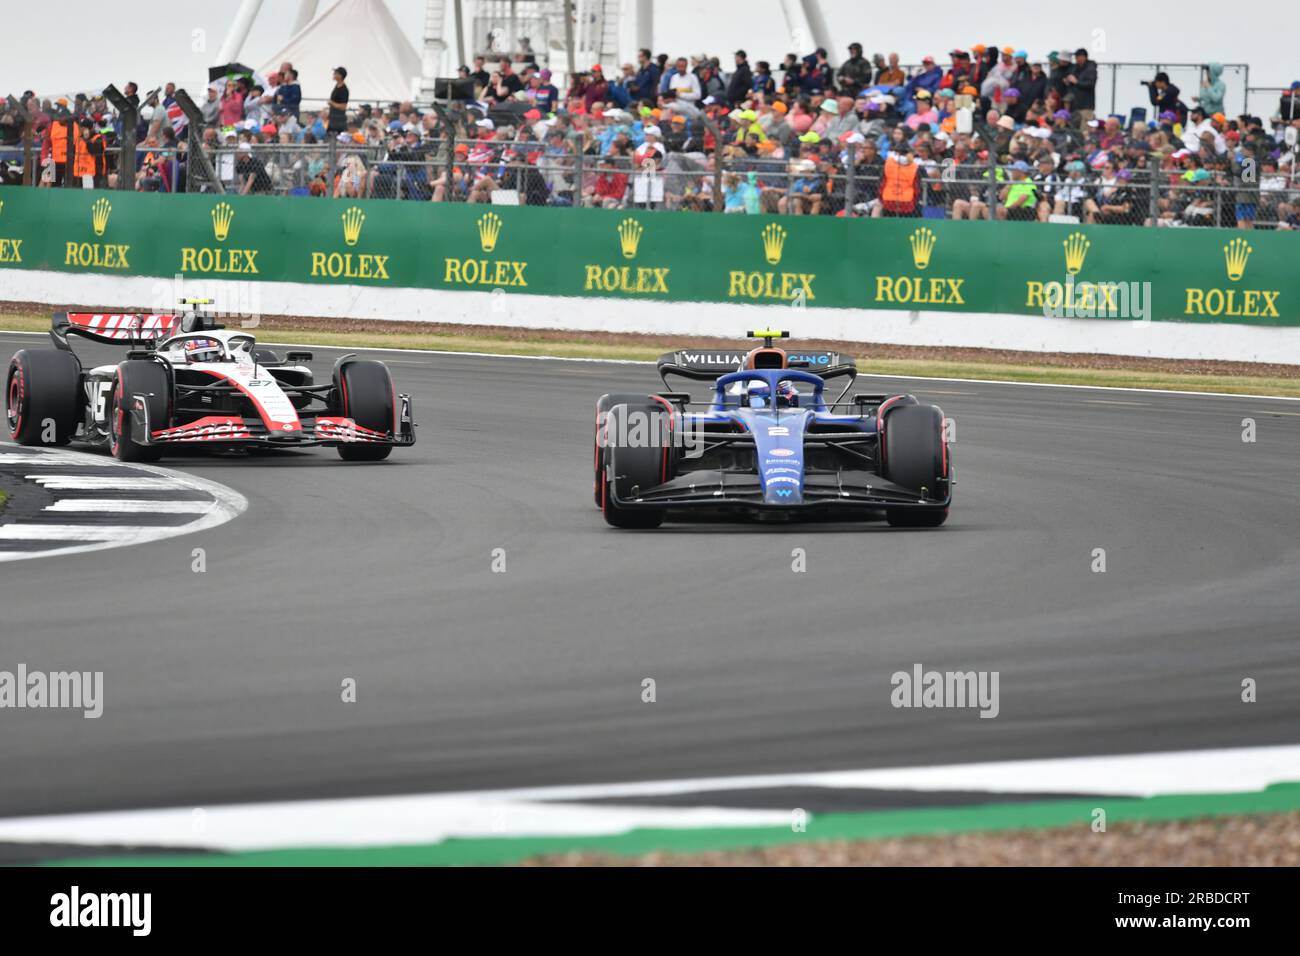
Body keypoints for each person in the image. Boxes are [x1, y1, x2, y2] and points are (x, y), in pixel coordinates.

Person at [1064, 48, 1097, 124]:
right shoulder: (1075, 68)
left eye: (1077, 56)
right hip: (1074, 105)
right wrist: (1068, 81)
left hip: (1086, 106)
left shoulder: (1091, 69)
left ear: (1083, 57)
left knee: (1084, 129)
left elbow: (1090, 84)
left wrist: (1076, 82)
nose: (1075, 59)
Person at [327, 67, 349, 135]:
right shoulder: (336, 86)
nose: (333, 75)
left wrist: (332, 103)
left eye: (335, 73)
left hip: (338, 121)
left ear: (340, 76)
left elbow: (343, 106)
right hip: (333, 119)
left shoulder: (344, 90)